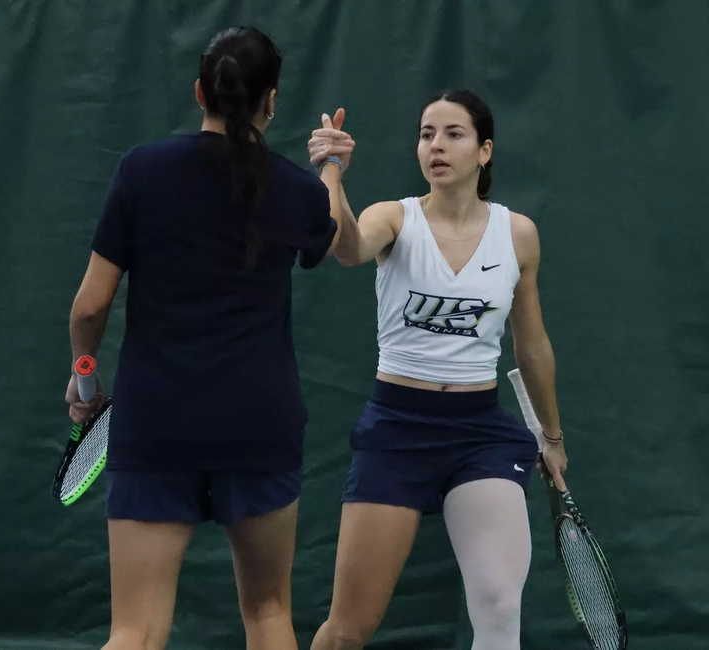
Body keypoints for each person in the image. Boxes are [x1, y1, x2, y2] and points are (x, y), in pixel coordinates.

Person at [64, 26, 348, 650]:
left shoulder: (141, 169)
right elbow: (327, 237)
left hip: (156, 423)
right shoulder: (297, 190)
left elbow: (90, 308)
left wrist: (85, 378)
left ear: (200, 92)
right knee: (270, 614)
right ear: (271, 102)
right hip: (259, 424)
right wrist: (328, 167)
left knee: (133, 632)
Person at [306, 90, 568, 650]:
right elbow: (346, 248)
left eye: (454, 134)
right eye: (427, 134)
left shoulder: (517, 234)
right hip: (397, 430)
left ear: (485, 150)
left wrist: (551, 435)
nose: (437, 146)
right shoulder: (392, 219)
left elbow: (533, 344)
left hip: (481, 435)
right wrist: (332, 172)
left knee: (499, 604)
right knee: (348, 630)